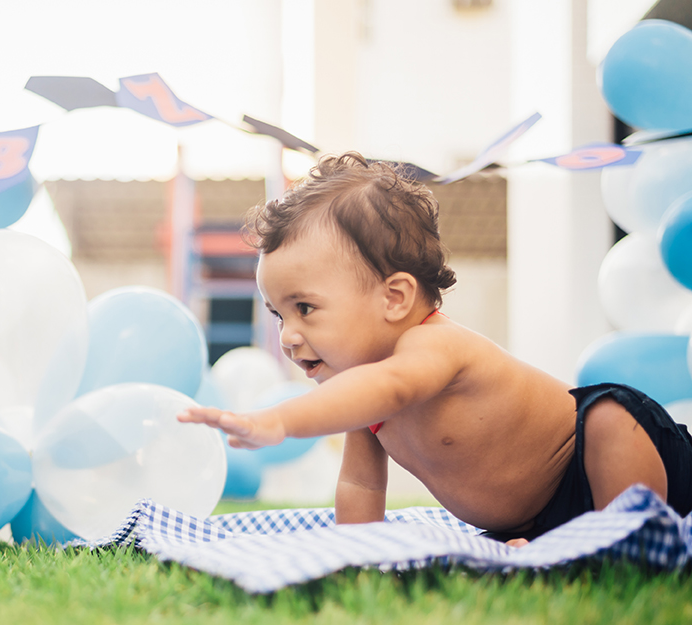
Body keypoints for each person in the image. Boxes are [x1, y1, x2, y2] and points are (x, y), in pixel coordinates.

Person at [178, 152, 692, 544]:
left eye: (305, 308)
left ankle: (627, 545)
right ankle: (569, 548)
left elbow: (390, 384)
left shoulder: (433, 346)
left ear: (394, 297)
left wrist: (282, 421)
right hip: (540, 518)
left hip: (600, 457)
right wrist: (354, 559)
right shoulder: (363, 397)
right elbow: (361, 487)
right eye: (277, 314)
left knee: (609, 418)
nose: (287, 335)